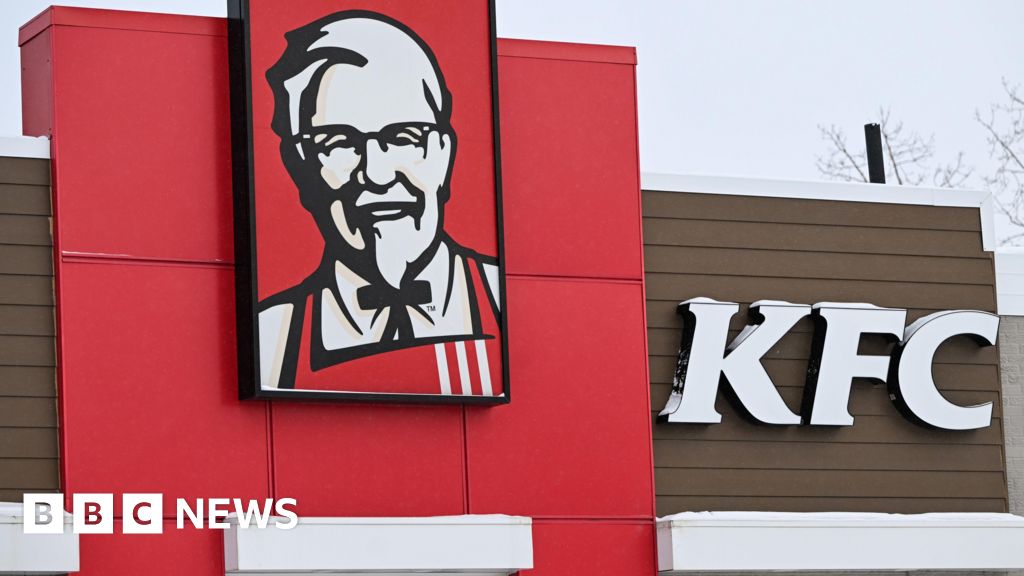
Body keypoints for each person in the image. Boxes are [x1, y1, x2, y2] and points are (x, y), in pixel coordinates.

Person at [257, 11, 501, 396]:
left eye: (404, 137)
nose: (377, 174)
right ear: (300, 167)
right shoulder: (270, 339)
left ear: (443, 154)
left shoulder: (504, 303)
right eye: (338, 143)